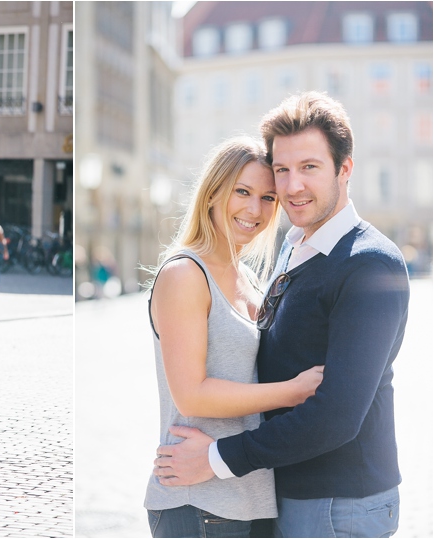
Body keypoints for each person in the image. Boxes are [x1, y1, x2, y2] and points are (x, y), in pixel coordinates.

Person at [153, 92, 410, 538]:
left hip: (337, 500)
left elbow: (336, 415)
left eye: (309, 167)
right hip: (275, 494)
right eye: (282, 170)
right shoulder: (293, 248)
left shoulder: (370, 265)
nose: (292, 187)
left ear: (344, 169)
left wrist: (219, 457)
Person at [145, 137, 324, 538]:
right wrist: (293, 391)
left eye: (267, 197)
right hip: (198, 502)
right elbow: (191, 395)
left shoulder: (252, 281)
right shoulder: (185, 275)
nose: (253, 209)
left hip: (251, 495)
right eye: (242, 192)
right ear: (212, 193)